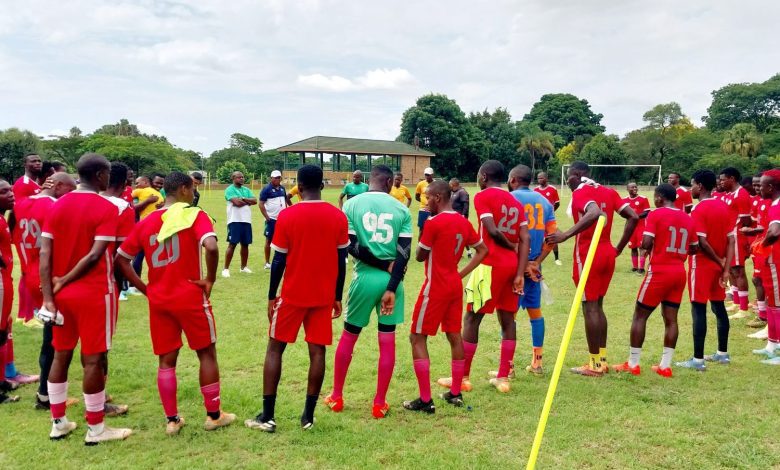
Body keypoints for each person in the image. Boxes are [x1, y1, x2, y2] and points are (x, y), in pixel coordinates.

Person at [117, 171, 235, 435]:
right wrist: (210, 279)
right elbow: (212, 247)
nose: (194, 193)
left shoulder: (147, 221)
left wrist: (145, 289)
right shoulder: (193, 214)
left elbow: (122, 258)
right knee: (206, 353)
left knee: (166, 360)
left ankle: (172, 420)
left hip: (160, 300)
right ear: (183, 189)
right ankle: (214, 415)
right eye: (192, 188)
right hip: (190, 297)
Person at [245, 165, 348, 432]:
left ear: (298, 188)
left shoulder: (288, 216)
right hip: (323, 296)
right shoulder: (338, 216)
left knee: (275, 348)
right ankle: (308, 417)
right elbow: (341, 261)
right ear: (322, 186)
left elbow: (278, 260)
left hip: (292, 295)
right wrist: (337, 295)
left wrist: (271, 296)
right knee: (318, 352)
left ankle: (267, 416)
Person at [39, 153, 132, 443]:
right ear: (102, 175)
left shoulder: (57, 205)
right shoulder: (106, 208)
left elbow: (45, 253)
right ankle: (96, 429)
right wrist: (66, 279)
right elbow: (95, 255)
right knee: (93, 359)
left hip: (60, 295)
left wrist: (49, 295)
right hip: (94, 294)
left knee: (61, 353)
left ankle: (59, 422)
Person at [323, 165, 413, 419]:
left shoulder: (351, 205)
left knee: (349, 337)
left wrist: (379, 264)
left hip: (363, 279)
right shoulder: (401, 208)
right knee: (387, 341)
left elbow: (350, 246)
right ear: (388, 183)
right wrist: (392, 286)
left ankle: (337, 396)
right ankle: (379, 404)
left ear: (371, 181)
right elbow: (403, 254)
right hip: (392, 284)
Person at [437, 160, 529, 394]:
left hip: (489, 265)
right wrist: (520, 271)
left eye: (479, 175)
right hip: (511, 266)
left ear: (485, 176)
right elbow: (525, 239)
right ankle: (503, 377)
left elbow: (492, 230)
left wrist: (508, 246)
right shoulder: (516, 203)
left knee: (471, 319)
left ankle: (464, 376)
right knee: (508, 320)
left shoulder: (483, 196)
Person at [545, 161, 639, 377]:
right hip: (607, 252)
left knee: (590, 308)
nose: (567, 181)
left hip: (588, 253)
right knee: (599, 306)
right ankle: (601, 360)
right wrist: (619, 248)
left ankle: (595, 364)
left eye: (568, 176)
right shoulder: (609, 191)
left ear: (577, 175)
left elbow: (594, 211)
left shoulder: (581, 192)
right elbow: (633, 216)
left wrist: (566, 234)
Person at [403, 181, 486, 413]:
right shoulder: (462, 220)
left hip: (435, 287)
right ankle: (456, 393)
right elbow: (482, 250)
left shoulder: (433, 222)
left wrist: (424, 234)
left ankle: (425, 399)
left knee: (417, 337)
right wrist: (461, 273)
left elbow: (420, 256)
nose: (425, 201)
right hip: (453, 286)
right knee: (454, 335)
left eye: (428, 197)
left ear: (438, 197)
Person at [612, 184, 695, 378]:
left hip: (659, 271)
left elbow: (647, 243)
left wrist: (650, 246)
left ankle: (633, 363)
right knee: (671, 319)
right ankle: (665, 366)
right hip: (679, 272)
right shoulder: (687, 217)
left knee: (640, 315)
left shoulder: (656, 214)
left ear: (658, 198)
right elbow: (694, 247)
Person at [13, 173, 77, 409]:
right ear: (59, 187)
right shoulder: (56, 206)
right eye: (70, 190)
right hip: (49, 275)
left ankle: (45, 392)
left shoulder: (22, 204)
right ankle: (46, 394)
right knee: (55, 339)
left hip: (31, 273)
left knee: (51, 336)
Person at [675, 170, 734, 371]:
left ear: (700, 186)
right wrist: (725, 268)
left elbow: (701, 241)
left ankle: (698, 360)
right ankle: (722, 354)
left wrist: (717, 260)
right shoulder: (725, 207)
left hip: (701, 265)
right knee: (719, 307)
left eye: (692, 184)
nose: (690, 188)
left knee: (698, 308)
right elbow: (731, 240)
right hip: (719, 267)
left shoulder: (699, 210)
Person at [507, 165, 557, 376]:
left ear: (514, 179)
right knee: (535, 312)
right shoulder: (545, 202)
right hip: (535, 267)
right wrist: (536, 262)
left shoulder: (510, 199)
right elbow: (552, 238)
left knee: (509, 316)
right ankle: (537, 363)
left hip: (515, 268)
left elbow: (508, 233)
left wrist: (524, 263)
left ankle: (507, 366)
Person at [717, 167, 753, 320]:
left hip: (737, 236)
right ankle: (737, 302)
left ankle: (744, 308)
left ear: (732, 178)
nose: (721, 182)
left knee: (738, 270)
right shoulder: (728, 195)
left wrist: (745, 241)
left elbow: (746, 221)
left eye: (723, 179)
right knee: (731, 269)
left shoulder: (742, 194)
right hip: (728, 236)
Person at [753, 170, 780, 363]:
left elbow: (774, 232)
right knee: (772, 302)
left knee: (777, 304)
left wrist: (761, 244)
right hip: (771, 261)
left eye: (761, 185)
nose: (759, 189)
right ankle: (772, 343)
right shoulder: (774, 204)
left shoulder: (777, 205)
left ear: (770, 187)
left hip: (776, 260)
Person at [0, 178, 20, 404]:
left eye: (11, 191)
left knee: (3, 328)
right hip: (0, 280)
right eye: (4, 192)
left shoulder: (3, 218)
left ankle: (2, 379)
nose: (11, 195)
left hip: (6, 280)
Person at [129, 176, 163, 292]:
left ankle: (133, 285)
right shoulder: (157, 194)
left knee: (139, 257)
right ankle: (155, 284)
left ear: (145, 182)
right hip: (155, 229)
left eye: (138, 182)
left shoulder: (140, 191)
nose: (136, 184)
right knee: (154, 258)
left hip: (144, 228)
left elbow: (126, 202)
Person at [746, 174, 770, 331]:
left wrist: (751, 231)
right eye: (756, 185)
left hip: (768, 248)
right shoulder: (761, 201)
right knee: (758, 279)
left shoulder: (772, 203)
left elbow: (770, 230)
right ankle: (763, 313)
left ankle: (764, 316)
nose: (757, 188)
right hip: (760, 246)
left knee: (761, 280)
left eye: (760, 185)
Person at [222, 171, 257, 278]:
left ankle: (243, 267)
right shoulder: (230, 189)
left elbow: (255, 201)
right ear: (233, 178)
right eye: (239, 177)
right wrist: (247, 201)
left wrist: (243, 199)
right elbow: (236, 203)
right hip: (234, 220)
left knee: (245, 244)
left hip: (246, 220)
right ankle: (226, 269)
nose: (241, 179)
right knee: (232, 244)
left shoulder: (246, 189)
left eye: (242, 177)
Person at [259, 170, 288, 270]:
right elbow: (261, 204)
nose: (277, 179)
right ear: (271, 178)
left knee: (284, 240)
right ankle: (267, 262)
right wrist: (267, 217)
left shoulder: (282, 188)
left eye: (279, 177)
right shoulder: (266, 189)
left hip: (283, 220)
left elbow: (285, 200)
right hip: (272, 219)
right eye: (275, 177)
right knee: (269, 240)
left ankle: (283, 260)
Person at [622, 182, 651, 274]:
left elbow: (647, 212)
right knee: (633, 247)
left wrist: (635, 217)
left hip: (641, 226)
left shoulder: (643, 199)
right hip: (631, 227)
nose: (634, 188)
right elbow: (623, 213)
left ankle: (641, 268)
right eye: (632, 187)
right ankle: (634, 267)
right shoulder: (624, 200)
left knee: (641, 247)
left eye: (635, 187)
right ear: (627, 189)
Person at [534, 171, 562, 265]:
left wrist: (550, 213)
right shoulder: (535, 190)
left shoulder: (552, 189)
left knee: (552, 237)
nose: (539, 180)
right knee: (537, 237)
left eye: (541, 178)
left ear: (546, 178)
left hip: (549, 219)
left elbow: (557, 203)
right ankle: (536, 257)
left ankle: (557, 258)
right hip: (538, 219)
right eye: (538, 178)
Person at [415, 168, 435, 236]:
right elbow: (417, 196)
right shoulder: (420, 184)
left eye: (428, 175)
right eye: (426, 175)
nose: (427, 176)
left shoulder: (436, 184)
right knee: (421, 229)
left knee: (433, 228)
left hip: (433, 210)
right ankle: (419, 244)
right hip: (423, 209)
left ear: (432, 175)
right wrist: (424, 202)